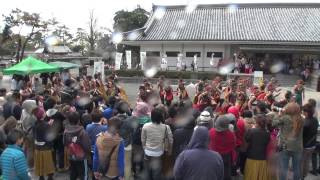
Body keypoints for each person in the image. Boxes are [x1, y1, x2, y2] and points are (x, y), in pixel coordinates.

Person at [272, 102, 304, 180]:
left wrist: (278, 114)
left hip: (285, 146)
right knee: (296, 168)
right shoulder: (301, 118)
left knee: (283, 167)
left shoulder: (285, 118)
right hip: (298, 147)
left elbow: (273, 123)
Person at [141, 108, 173, 180]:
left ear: (151, 117)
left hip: (147, 151)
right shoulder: (166, 127)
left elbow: (143, 139)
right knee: (156, 172)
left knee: (147, 170)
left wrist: (144, 148)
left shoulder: (145, 126)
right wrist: (169, 150)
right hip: (158, 153)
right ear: (161, 117)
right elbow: (171, 140)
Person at [63, 112, 91, 180]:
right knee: (84, 174)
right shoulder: (82, 132)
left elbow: (64, 143)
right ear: (79, 120)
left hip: (71, 155)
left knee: (73, 172)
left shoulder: (66, 131)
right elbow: (87, 146)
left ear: (69, 120)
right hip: (81, 157)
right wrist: (88, 154)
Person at [243, 114, 271, 180]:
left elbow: (246, 139)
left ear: (257, 123)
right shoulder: (267, 133)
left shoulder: (251, 131)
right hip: (262, 159)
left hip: (251, 158)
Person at [209, 115, 236, 180]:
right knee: (226, 175)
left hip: (213, 157)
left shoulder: (211, 132)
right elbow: (233, 146)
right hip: (226, 158)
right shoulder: (231, 135)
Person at [33, 108, 55, 180]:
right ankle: (50, 177)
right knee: (48, 164)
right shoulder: (46, 125)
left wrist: (48, 124)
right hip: (46, 147)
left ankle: (41, 177)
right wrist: (50, 126)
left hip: (37, 147)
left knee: (39, 163)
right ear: (42, 115)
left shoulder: (35, 123)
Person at [301, 103, 319, 178]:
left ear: (306, 112)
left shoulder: (305, 123)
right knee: (307, 161)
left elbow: (301, 135)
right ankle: (304, 176)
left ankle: (301, 176)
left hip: (305, 146)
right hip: (312, 144)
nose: (302, 112)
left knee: (302, 162)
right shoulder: (315, 120)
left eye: (303, 111)